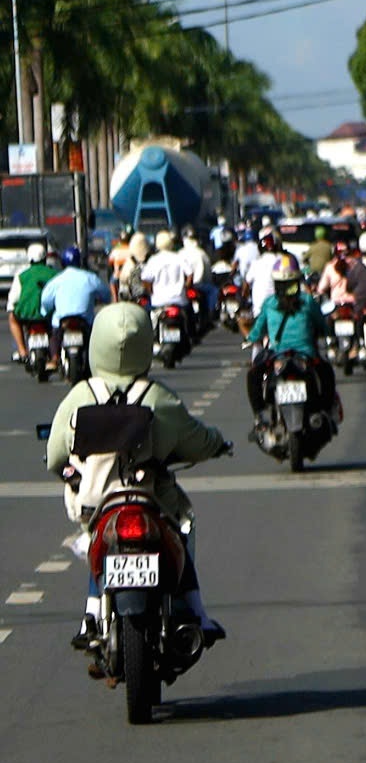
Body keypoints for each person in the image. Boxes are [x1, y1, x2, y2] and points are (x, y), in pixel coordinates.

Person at [47, 300, 231, 650]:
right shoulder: (158, 396)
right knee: (183, 533)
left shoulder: (80, 396)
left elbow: (55, 454)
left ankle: (90, 615)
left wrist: (69, 470)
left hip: (97, 501)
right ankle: (198, 614)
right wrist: (218, 444)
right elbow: (196, 440)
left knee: (95, 543)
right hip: (152, 499)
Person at [246, 262, 338, 430]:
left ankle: (259, 416)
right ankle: (325, 411)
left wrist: (250, 338)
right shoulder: (308, 301)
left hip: (277, 356)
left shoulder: (269, 304)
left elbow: (257, 331)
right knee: (327, 373)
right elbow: (322, 325)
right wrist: (326, 333)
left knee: (253, 375)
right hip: (307, 355)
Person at [11, 240, 53, 359]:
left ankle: (22, 352)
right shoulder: (54, 273)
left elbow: (12, 300)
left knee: (12, 318)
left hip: (26, 315)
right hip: (48, 316)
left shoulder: (22, 275)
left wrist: (13, 308)